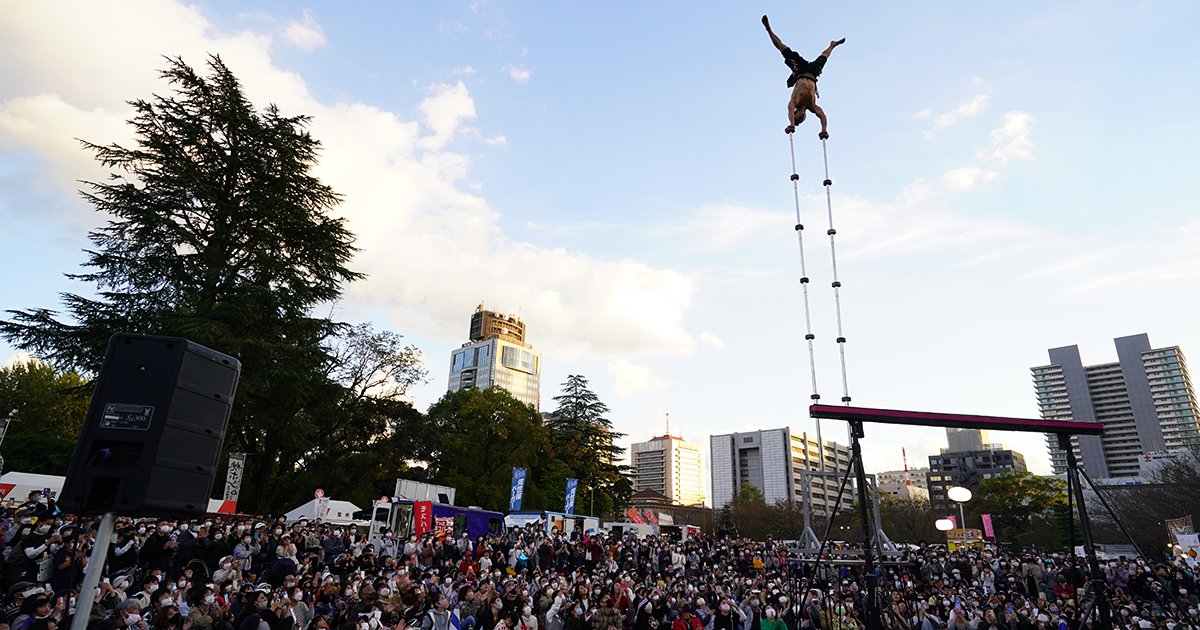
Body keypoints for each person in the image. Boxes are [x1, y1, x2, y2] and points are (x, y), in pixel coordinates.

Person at [761, 15, 845, 138]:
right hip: (812, 74)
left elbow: (790, 112)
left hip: (800, 71)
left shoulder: (794, 102)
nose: (800, 118)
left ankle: (768, 29)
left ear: (795, 114)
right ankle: (832, 45)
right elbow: (822, 115)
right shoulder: (812, 106)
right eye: (801, 120)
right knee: (824, 57)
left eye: (797, 119)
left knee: (783, 48)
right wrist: (824, 130)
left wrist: (792, 125)